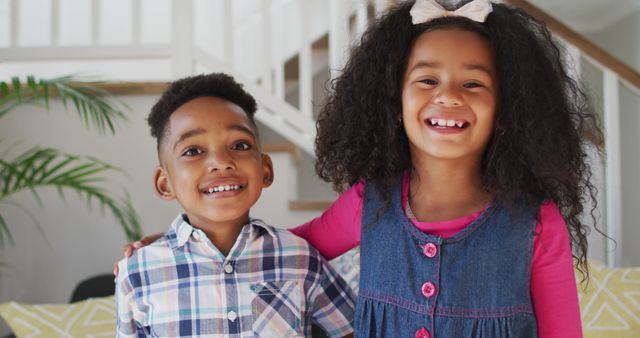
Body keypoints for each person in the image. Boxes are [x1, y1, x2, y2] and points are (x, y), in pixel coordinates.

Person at [120, 0, 603, 336]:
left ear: (507, 109)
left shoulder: (537, 223)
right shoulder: (367, 203)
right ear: (393, 101)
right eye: (427, 78)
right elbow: (272, 252)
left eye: (474, 84)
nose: (448, 95)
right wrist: (181, 247)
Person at [115, 73, 355, 337]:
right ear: (165, 183)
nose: (221, 161)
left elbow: (355, 330)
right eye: (193, 151)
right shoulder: (136, 272)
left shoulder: (300, 258)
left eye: (240, 145)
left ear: (265, 170)